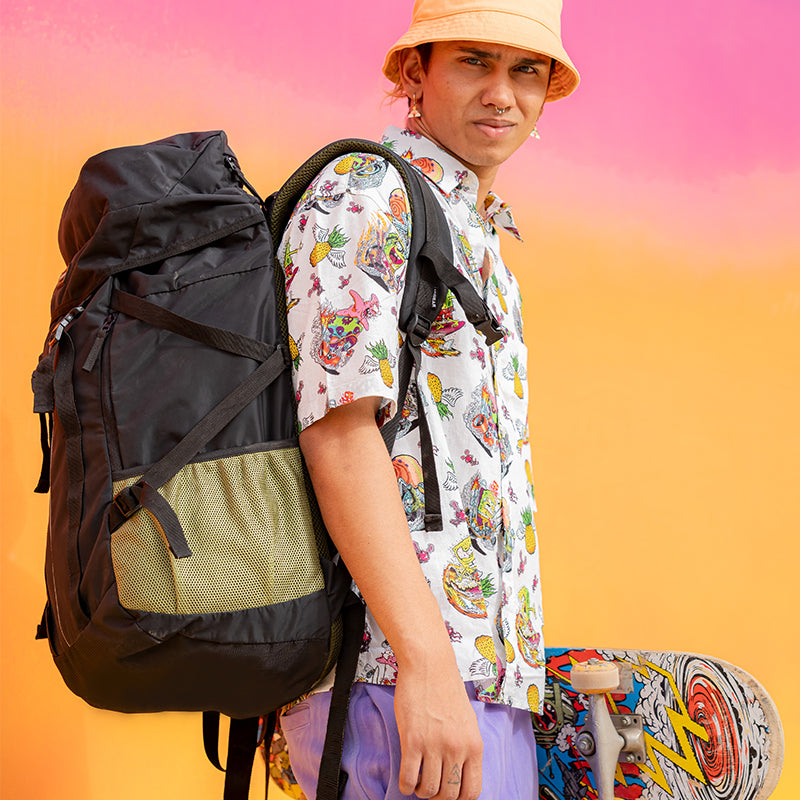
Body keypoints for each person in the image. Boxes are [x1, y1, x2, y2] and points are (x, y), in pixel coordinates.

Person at [277, 0, 579, 798]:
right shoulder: (368, 193)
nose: (502, 94)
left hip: (475, 684)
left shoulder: (475, 232)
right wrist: (427, 663)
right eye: (474, 61)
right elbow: (338, 433)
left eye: (526, 71)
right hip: (393, 678)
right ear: (416, 72)